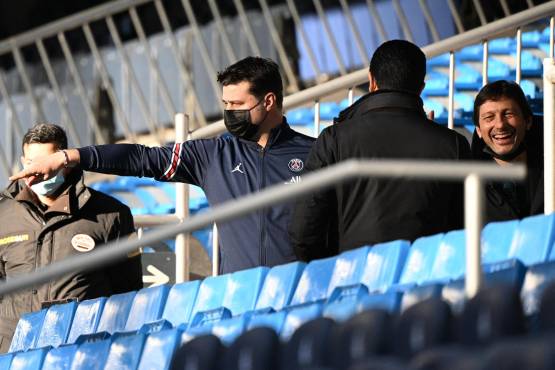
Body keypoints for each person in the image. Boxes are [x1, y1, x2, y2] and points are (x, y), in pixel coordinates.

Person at [10, 57, 315, 274]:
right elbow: (142, 158)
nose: (229, 112)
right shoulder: (213, 155)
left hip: (299, 293)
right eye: (225, 104)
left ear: (269, 101)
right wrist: (70, 157)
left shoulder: (315, 154)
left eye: (237, 105)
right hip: (238, 299)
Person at [289, 40, 471, 261]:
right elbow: (464, 224)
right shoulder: (453, 144)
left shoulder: (334, 138)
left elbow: (304, 228)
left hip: (355, 274)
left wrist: (333, 267)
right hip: (425, 272)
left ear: (372, 80)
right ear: (421, 87)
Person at [0, 123, 142, 353]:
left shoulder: (111, 214)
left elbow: (127, 291)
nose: (35, 172)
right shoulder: (3, 215)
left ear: (63, 162)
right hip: (14, 352)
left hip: (82, 351)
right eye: (29, 163)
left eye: (43, 164)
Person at [471, 80, 543, 222]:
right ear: (478, 130)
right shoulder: (466, 182)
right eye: (489, 117)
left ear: (528, 121)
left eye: (508, 114)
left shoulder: (549, 171)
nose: (500, 125)